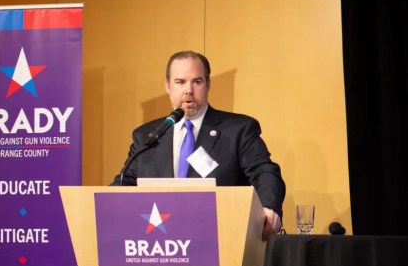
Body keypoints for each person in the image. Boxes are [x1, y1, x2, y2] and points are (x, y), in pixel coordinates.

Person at [111, 50, 286, 240]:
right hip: (158, 244)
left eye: (197, 81)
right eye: (180, 82)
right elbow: (125, 183)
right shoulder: (147, 135)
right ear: (168, 86)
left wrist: (268, 207)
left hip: (219, 241)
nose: (189, 90)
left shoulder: (238, 130)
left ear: (208, 84)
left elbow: (264, 171)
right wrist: (105, 206)